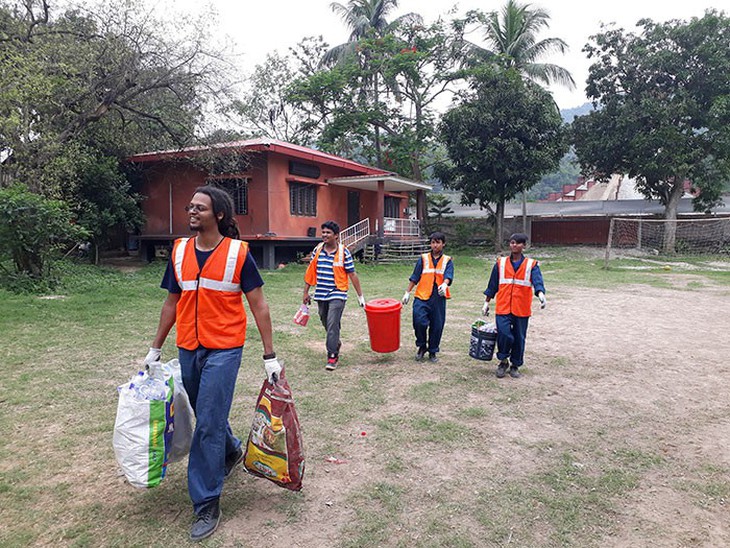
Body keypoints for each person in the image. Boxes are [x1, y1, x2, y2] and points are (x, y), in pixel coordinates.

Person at [143, 186, 282, 542]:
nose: (192, 212)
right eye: (190, 207)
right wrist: (155, 348)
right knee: (206, 415)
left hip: (225, 349)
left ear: (218, 214)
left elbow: (260, 305)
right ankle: (232, 449)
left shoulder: (238, 254)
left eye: (199, 208)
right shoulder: (178, 252)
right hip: (189, 346)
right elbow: (171, 304)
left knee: (207, 422)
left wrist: (270, 355)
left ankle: (206, 501)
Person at [481, 232, 546, 379]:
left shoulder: (531, 265)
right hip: (503, 306)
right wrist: (486, 302)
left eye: (517, 243)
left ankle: (515, 365)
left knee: (519, 337)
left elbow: (537, 281)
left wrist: (541, 294)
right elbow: (492, 285)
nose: (514, 245)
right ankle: (503, 361)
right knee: (504, 334)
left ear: (524, 245)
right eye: (511, 242)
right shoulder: (500, 263)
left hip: (521, 308)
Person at [303, 221, 365, 371]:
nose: (324, 235)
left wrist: (360, 296)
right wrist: (305, 292)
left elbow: (352, 274)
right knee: (327, 322)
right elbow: (311, 272)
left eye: (328, 233)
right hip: (321, 294)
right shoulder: (317, 250)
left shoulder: (344, 252)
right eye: (323, 232)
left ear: (336, 236)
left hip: (338, 293)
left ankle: (332, 356)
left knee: (332, 323)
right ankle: (335, 341)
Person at [401, 232, 454, 363]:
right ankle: (422, 346)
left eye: (438, 242)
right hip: (422, 295)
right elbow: (415, 276)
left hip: (438, 297)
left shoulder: (447, 260)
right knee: (419, 321)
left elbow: (448, 275)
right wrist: (407, 292)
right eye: (433, 242)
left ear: (443, 244)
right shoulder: (423, 258)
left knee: (437, 325)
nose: (435, 245)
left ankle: (433, 351)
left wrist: (444, 284)